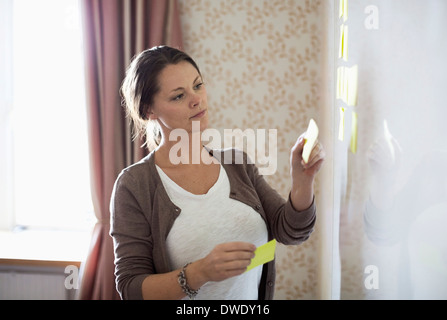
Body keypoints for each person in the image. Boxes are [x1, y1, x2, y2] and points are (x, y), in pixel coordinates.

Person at [110, 46, 325, 300]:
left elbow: (290, 231)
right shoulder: (135, 185)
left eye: (198, 85)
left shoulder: (237, 164)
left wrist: (303, 181)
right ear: (149, 111)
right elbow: (131, 288)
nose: (196, 99)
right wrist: (199, 272)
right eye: (178, 96)